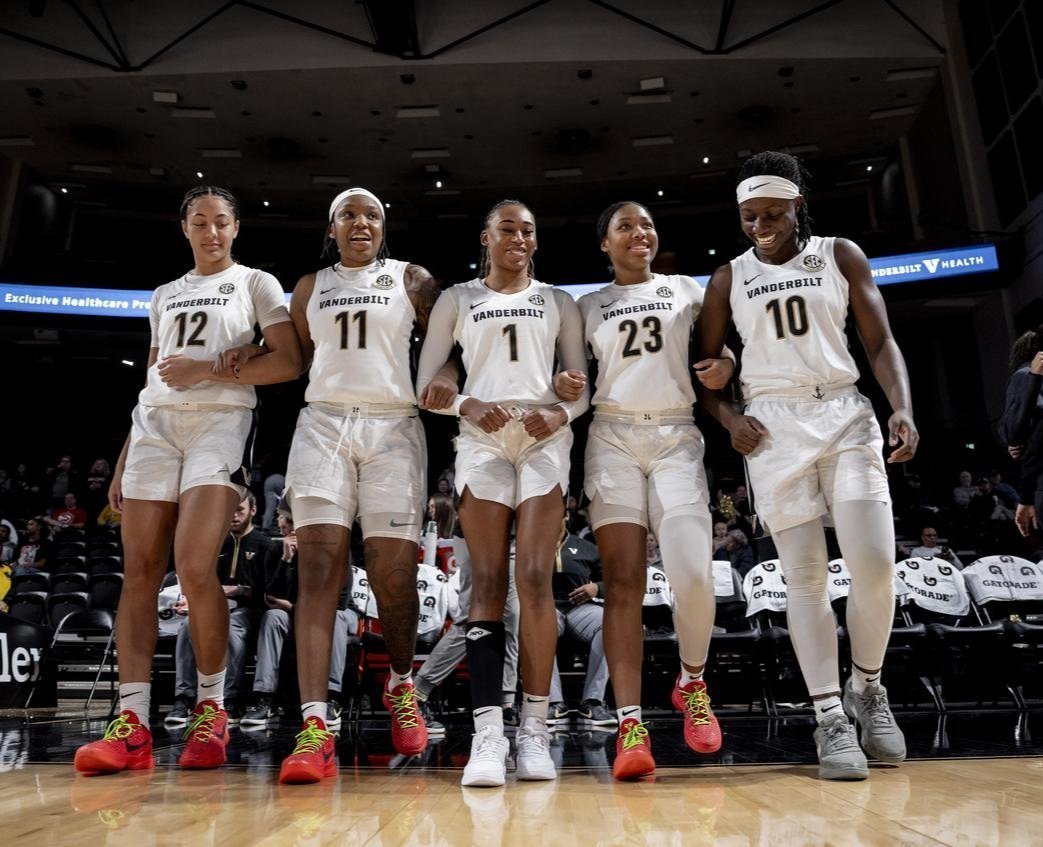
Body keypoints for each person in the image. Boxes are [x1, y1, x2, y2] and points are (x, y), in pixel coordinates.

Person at [695, 151, 919, 781]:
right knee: (805, 579)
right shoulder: (727, 278)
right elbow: (705, 375)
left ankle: (868, 689)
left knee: (874, 567)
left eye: (772, 213)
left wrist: (900, 407)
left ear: (796, 207)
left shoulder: (839, 254)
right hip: (773, 429)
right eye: (749, 215)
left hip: (845, 414)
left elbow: (879, 342)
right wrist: (731, 420)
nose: (761, 224)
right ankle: (829, 717)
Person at [73, 185, 300, 776]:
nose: (211, 231)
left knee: (195, 566)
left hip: (221, 423)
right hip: (154, 428)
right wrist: (125, 457)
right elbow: (152, 379)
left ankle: (211, 710)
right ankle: (133, 723)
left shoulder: (257, 284)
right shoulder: (163, 294)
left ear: (236, 227)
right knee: (140, 572)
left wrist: (208, 368)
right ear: (185, 230)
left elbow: (289, 361)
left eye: (220, 221)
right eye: (199, 222)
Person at [553, 200, 732, 780]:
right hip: (612, 436)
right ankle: (631, 722)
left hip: (677, 432)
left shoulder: (688, 288)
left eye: (647, 223)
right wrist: (562, 384)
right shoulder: (587, 304)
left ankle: (692, 680)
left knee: (693, 572)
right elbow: (574, 379)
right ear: (604, 244)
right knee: (624, 582)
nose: (639, 233)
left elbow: (718, 349)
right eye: (625, 226)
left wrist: (726, 363)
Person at [416, 198, 589, 787]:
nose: (518, 237)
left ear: (536, 242)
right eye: (507, 228)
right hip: (483, 440)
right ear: (485, 237)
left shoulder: (560, 302)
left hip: (542, 437)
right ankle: (488, 735)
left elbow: (578, 387)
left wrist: (564, 408)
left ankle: (534, 730)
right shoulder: (457, 299)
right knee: (487, 584)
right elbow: (426, 383)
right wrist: (467, 403)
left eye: (528, 230)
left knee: (534, 579)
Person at [276, 187, 440, 784]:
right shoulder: (307, 287)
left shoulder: (411, 278)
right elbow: (293, 360)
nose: (360, 222)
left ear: (384, 226)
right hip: (322, 426)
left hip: (394, 426)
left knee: (392, 579)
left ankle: (401, 683)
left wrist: (448, 379)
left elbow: (450, 347)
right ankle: (314, 725)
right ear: (332, 227)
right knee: (317, 573)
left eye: (371, 214)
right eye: (349, 214)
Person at [240, 514, 358, 730]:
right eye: (285, 520)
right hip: (296, 614)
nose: (288, 527)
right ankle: (264, 699)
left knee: (335, 620)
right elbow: (272, 597)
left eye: (294, 522)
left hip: (337, 613)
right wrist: (286, 559)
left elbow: (338, 602)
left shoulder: (335, 549)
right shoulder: (276, 550)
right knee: (273, 618)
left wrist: (293, 607)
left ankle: (331, 699)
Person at [165, 493, 272, 726]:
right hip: (214, 606)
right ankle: (184, 698)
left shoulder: (266, 546)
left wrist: (236, 590)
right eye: (230, 510)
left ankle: (229, 699)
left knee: (230, 630)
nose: (233, 515)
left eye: (240, 510)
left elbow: (267, 594)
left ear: (253, 511)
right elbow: (202, 582)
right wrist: (190, 601)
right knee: (186, 628)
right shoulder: (216, 543)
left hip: (249, 611)